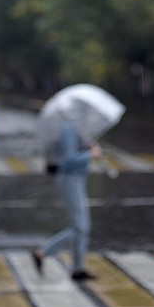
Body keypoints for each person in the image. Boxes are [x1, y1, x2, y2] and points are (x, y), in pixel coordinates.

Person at [32, 119, 101, 281]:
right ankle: (42, 252)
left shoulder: (79, 129)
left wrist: (87, 147)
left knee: (83, 226)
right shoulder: (69, 128)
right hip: (70, 180)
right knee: (80, 227)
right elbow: (68, 160)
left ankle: (78, 268)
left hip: (77, 179)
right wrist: (90, 154)